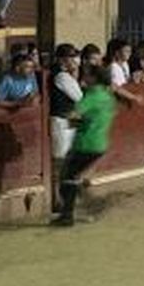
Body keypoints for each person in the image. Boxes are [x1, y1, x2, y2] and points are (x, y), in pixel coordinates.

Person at [52, 65, 117, 227]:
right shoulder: (107, 96)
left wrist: (69, 118)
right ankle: (89, 205)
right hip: (100, 143)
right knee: (72, 176)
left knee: (66, 178)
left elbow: (74, 114)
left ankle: (70, 214)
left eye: (87, 75)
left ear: (94, 78)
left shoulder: (91, 96)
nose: (84, 77)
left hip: (85, 143)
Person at [48, 44, 82, 211]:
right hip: (61, 122)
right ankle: (58, 198)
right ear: (62, 59)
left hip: (65, 121)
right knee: (60, 162)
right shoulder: (61, 76)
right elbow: (79, 96)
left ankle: (63, 197)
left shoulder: (61, 75)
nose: (75, 60)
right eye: (71, 57)